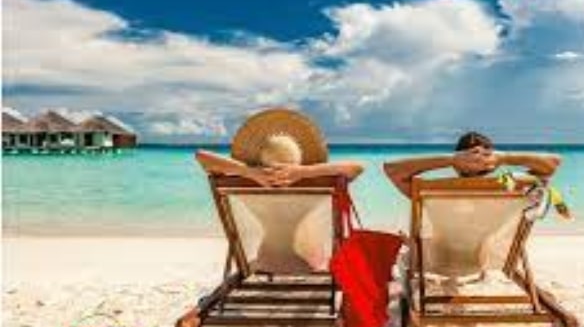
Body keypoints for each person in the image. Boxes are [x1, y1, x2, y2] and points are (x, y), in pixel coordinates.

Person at [196, 108, 363, 186]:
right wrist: (304, 172)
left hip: (261, 248)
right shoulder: (314, 183)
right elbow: (356, 168)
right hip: (312, 248)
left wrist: (250, 172)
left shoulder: (249, 183)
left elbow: (201, 156)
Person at [384, 131, 561, 197]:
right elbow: (553, 163)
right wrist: (504, 157)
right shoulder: (514, 187)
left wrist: (451, 159)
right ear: (493, 165)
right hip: (496, 257)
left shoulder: (431, 192)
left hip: (440, 257)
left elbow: (391, 169)